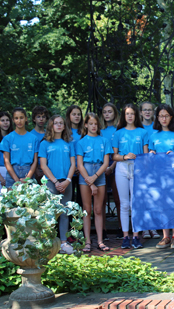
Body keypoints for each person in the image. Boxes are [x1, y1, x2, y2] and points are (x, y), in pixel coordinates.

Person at [112, 104, 149, 249]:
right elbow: (113, 156)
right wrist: (124, 156)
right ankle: (125, 236)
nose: (130, 116)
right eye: (127, 113)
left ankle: (136, 236)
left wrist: (139, 159)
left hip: (137, 168)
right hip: (122, 167)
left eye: (132, 113)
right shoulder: (118, 133)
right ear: (124, 116)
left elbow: (146, 155)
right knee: (124, 204)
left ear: (136, 115)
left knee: (135, 203)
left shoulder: (142, 132)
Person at [149, 104, 174, 249]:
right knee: (162, 205)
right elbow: (151, 155)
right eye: (160, 116)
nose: (163, 119)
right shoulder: (153, 136)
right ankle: (165, 236)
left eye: (166, 116)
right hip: (159, 176)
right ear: (157, 118)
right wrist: (151, 155)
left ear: (171, 117)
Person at [39, 115, 76, 255]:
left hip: (66, 182)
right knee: (50, 213)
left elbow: (73, 164)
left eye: (61, 123)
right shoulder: (45, 143)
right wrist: (55, 182)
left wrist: (67, 180)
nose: (59, 125)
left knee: (65, 213)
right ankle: (49, 243)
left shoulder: (69, 143)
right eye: (56, 123)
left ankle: (63, 243)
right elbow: (43, 165)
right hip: (51, 182)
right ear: (51, 126)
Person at [77, 113, 113, 253]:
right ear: (86, 125)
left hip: (99, 175)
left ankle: (100, 240)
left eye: (96, 124)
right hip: (85, 175)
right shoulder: (81, 142)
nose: (93, 126)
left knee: (98, 210)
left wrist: (96, 177)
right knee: (87, 210)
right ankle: (87, 241)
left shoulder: (104, 141)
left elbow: (105, 163)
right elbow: (80, 165)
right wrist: (90, 182)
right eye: (91, 124)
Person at [0, 107, 39, 187]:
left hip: (29, 172)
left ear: (26, 119)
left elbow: (35, 161)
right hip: (12, 173)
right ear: (13, 120)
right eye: (16, 118)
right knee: (11, 199)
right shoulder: (7, 139)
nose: (19, 121)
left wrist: (27, 178)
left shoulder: (33, 138)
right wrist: (16, 180)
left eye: (21, 118)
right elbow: (6, 161)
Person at [100, 103, 121, 241]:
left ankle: (120, 227)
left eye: (110, 112)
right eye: (105, 112)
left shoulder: (119, 130)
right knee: (100, 201)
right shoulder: (99, 131)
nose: (107, 114)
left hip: (115, 167)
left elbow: (119, 151)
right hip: (101, 168)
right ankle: (103, 229)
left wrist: (111, 167)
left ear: (114, 114)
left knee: (118, 199)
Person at [66, 105, 83, 207]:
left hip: (83, 170)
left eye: (79, 114)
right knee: (69, 200)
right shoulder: (65, 132)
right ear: (69, 116)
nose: (77, 116)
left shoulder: (84, 131)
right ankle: (69, 222)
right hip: (69, 170)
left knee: (81, 200)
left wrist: (80, 167)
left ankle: (81, 222)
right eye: (74, 114)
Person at [31, 106, 50, 184]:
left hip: (49, 168)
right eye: (38, 117)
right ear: (34, 119)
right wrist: (36, 171)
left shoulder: (49, 134)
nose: (41, 119)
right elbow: (30, 155)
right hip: (35, 169)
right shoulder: (30, 135)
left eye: (43, 117)